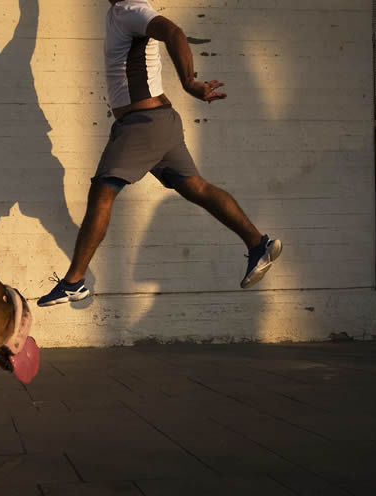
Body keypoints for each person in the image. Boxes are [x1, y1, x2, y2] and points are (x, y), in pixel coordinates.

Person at [38, 0, 281, 307]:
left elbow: (174, 32)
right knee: (198, 188)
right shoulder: (119, 13)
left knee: (103, 192)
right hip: (158, 123)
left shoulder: (131, 9)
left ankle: (74, 281)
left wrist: (190, 82)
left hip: (144, 125)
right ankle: (258, 243)